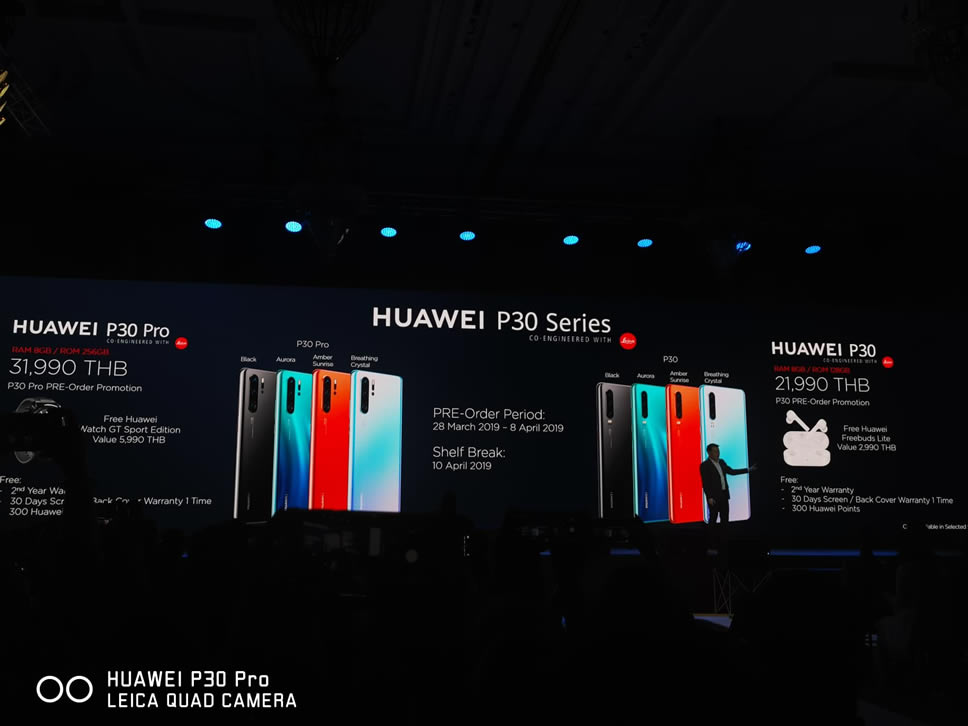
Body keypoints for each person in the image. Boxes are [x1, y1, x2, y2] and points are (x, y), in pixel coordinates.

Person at [700, 444, 755, 551]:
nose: (718, 453)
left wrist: (748, 470)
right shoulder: (704, 465)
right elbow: (705, 483)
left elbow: (732, 471)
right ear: (709, 453)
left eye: (718, 451)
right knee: (713, 521)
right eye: (715, 451)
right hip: (714, 498)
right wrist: (709, 497)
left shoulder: (722, 462)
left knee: (725, 521)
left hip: (724, 496)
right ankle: (711, 544)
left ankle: (724, 543)